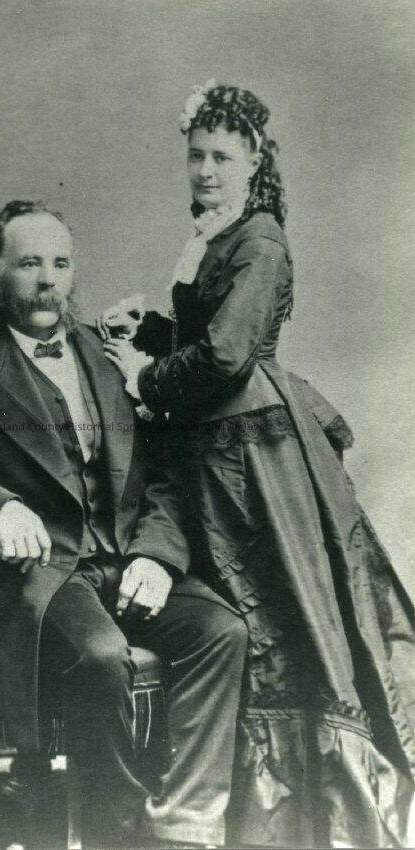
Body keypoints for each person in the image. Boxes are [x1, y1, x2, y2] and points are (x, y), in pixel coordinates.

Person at [0, 200, 248, 849]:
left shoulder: (109, 357)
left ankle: (185, 826)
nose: (48, 280)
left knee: (222, 633)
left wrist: (157, 556)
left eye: (60, 263)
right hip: (44, 578)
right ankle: (113, 835)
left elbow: (163, 472)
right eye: (29, 264)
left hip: (127, 560)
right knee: (104, 660)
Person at [98, 81, 415, 848]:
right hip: (215, 455)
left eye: (221, 157)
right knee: (245, 625)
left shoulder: (260, 239)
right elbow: (205, 335)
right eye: (196, 156)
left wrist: (144, 376)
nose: (206, 170)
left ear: (253, 161)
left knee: (283, 628)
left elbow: (226, 357)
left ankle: (311, 822)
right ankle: (242, 818)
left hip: (256, 461)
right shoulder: (219, 232)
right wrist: (151, 331)